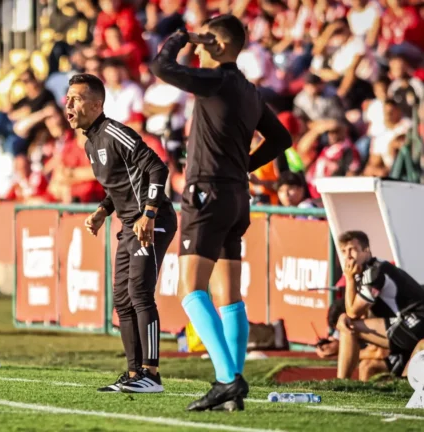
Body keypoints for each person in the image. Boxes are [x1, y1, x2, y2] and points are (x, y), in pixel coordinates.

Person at [150, 15, 292, 411]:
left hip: (206, 193)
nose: (198, 48)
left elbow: (161, 66)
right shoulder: (249, 90)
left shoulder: (218, 80)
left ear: (219, 44)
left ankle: (228, 379)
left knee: (191, 290)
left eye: (205, 41)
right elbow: (281, 138)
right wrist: (245, 165)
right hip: (235, 195)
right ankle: (232, 391)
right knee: (229, 296)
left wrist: (180, 37)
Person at [65, 73, 178, 393]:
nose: (68, 104)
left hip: (153, 220)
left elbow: (157, 168)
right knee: (123, 298)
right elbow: (120, 186)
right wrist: (103, 211)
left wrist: (149, 213)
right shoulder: (90, 143)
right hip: (130, 224)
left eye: (76, 98)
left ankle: (151, 374)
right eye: (67, 98)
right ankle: (133, 373)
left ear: (96, 105)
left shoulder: (115, 132)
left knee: (140, 292)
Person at [336, 230, 424, 380]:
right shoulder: (364, 273)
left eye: (352, 249)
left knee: (350, 327)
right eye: (344, 251)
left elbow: (353, 313)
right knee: (367, 367)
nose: (348, 256)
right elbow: (360, 314)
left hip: (416, 323)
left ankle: (340, 383)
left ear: (366, 250)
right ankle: (357, 394)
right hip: (407, 324)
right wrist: (344, 316)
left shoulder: (375, 272)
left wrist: (349, 278)